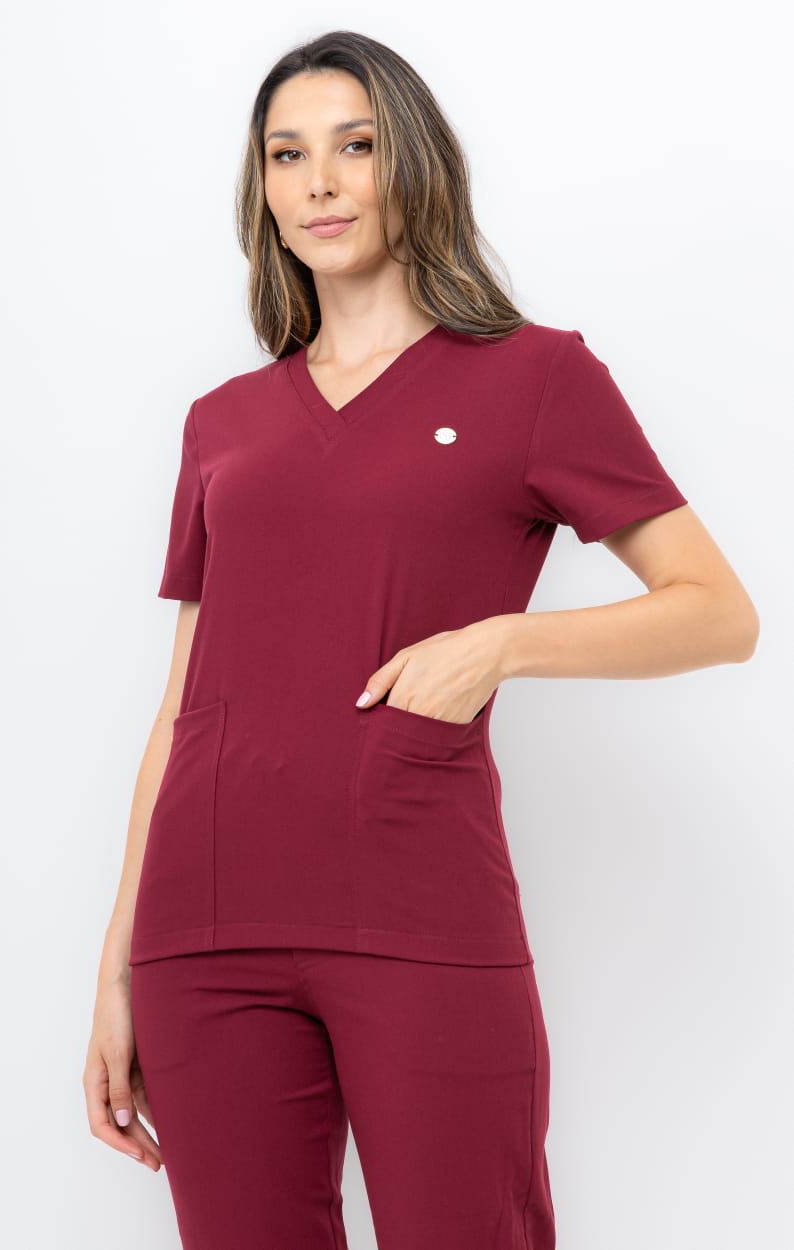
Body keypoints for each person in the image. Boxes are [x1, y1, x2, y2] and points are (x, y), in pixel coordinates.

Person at [82, 29, 760, 1250]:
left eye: (355, 145)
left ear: (413, 163)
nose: (320, 182)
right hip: (205, 930)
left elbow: (717, 610)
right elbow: (182, 704)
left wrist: (501, 642)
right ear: (261, 187)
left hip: (419, 915)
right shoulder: (222, 422)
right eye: (286, 154)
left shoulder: (535, 377)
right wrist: (119, 964)